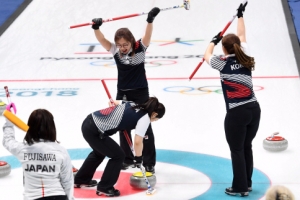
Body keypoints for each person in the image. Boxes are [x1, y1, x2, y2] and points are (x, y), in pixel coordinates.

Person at [91, 7, 161, 174]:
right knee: (123, 127)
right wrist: (96, 28)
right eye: (120, 45)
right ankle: (128, 159)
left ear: (131, 42)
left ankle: (149, 161)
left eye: (125, 45)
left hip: (141, 93)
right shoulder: (115, 51)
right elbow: (102, 40)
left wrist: (150, 20)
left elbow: (148, 36)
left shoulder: (140, 49)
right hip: (122, 93)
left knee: (145, 128)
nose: (122, 48)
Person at [204, 2, 261, 197]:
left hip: (237, 113)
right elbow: (242, 35)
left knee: (236, 150)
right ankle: (248, 182)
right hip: (254, 110)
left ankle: (240, 187)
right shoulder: (245, 54)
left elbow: (206, 56)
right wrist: (240, 15)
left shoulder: (222, 63)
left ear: (225, 49)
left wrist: (213, 40)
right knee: (246, 146)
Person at [74, 97, 165, 197]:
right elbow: (138, 142)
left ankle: (81, 179)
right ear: (154, 114)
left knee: (99, 152)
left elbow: (114, 102)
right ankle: (105, 187)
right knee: (118, 156)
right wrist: (138, 158)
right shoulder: (145, 118)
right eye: (155, 120)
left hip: (88, 122)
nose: (153, 121)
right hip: (95, 131)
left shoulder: (133, 104)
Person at [2, 109, 74, 200]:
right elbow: (67, 181)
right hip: (59, 196)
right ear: (51, 127)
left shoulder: (22, 149)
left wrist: (9, 121)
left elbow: (7, 140)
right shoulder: (61, 151)